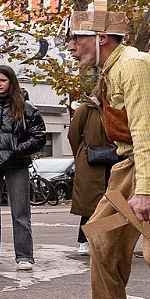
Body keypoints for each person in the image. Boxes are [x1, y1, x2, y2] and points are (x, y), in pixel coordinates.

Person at [55, 2, 150, 299]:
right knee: (101, 233)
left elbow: (144, 130)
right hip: (132, 166)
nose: (70, 47)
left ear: (101, 37)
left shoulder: (134, 66)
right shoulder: (113, 70)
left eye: (76, 38)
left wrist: (147, 190)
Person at [0, 65, 46, 272]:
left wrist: (17, 150)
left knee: (20, 212)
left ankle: (24, 256)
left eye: (2, 80)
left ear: (11, 82)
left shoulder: (26, 108)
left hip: (17, 164)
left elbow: (39, 136)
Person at [67, 90, 113, 257]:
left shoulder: (118, 108)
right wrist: (81, 155)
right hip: (90, 162)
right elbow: (73, 135)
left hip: (115, 160)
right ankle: (84, 240)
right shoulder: (86, 109)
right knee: (90, 204)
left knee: (112, 203)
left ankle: (104, 240)